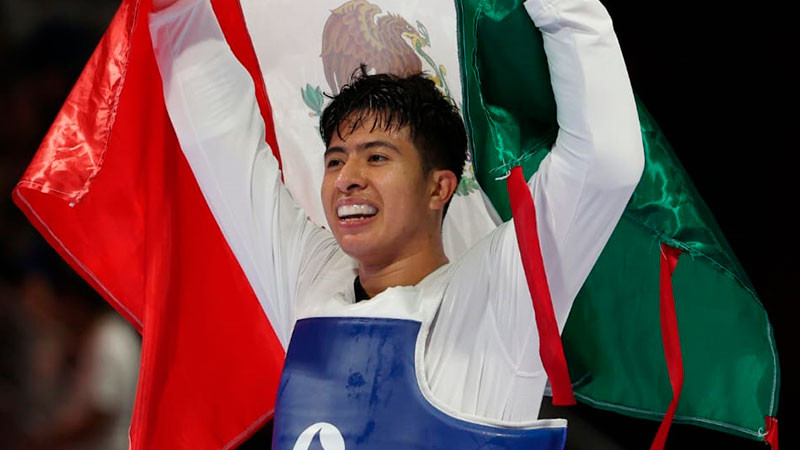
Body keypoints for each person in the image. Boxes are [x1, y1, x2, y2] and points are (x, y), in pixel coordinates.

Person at [149, 0, 643, 447]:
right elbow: (221, 142)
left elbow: (606, 161)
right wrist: (174, 12)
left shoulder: (497, 300)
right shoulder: (312, 286)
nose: (348, 179)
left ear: (439, 188)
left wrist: (563, 9)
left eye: (377, 157)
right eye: (336, 160)